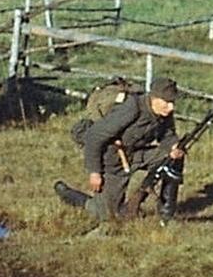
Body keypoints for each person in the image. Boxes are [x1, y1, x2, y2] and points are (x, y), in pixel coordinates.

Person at [55, 76, 183, 224]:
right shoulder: (132, 108)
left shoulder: (164, 113)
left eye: (173, 102)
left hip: (137, 154)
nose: (171, 107)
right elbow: (94, 136)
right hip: (114, 160)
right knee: (107, 214)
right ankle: (69, 195)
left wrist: (173, 146)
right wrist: (94, 171)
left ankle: (167, 213)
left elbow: (167, 134)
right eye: (167, 102)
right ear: (154, 98)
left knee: (174, 157)